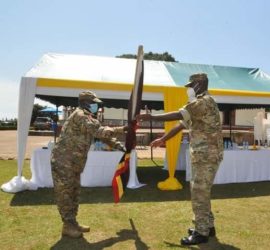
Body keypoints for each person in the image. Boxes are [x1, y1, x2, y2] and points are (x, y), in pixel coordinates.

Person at [137, 73, 223, 245]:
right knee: (202, 191)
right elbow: (180, 125)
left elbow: (178, 115)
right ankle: (207, 226)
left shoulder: (203, 102)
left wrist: (152, 117)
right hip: (205, 154)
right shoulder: (200, 105)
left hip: (206, 155)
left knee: (199, 192)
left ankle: (201, 232)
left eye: (191, 85)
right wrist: (163, 139)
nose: (188, 89)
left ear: (199, 85)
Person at [51, 90, 127, 238]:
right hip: (64, 161)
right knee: (65, 194)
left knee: (74, 193)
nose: (97, 107)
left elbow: (104, 137)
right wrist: (123, 129)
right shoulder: (80, 116)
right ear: (86, 103)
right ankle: (67, 225)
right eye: (95, 104)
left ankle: (72, 223)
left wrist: (121, 147)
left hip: (73, 163)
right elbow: (99, 131)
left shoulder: (88, 118)